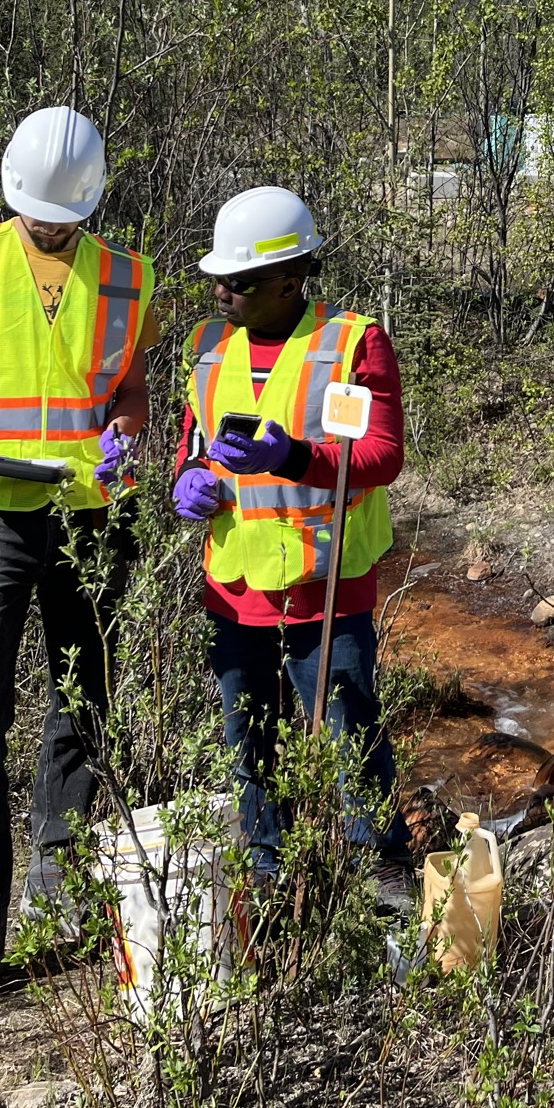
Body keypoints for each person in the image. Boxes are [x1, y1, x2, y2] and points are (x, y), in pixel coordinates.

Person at [0, 107, 159, 1006]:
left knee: (82, 705)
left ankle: (61, 875)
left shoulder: (127, 278)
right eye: (38, 212)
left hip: (90, 515)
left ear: (89, 205)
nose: (49, 226)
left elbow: (130, 390)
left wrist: (127, 436)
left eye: (64, 215)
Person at [171, 186, 412, 907]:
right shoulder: (208, 346)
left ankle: (382, 873)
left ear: (290, 278)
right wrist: (188, 480)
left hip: (325, 587)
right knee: (249, 747)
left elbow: (383, 456)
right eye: (217, 277)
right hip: (236, 585)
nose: (221, 291)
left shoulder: (351, 341)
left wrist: (295, 458)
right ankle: (271, 878)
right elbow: (193, 443)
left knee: (350, 738)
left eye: (238, 281)